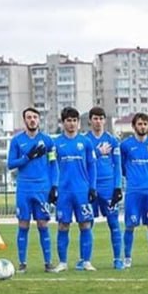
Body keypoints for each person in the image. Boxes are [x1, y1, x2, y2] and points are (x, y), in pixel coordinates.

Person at [8, 107, 56, 273]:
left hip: (42, 188)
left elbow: (53, 164)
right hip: (24, 188)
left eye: (35, 117)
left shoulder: (47, 141)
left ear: (39, 119)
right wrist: (27, 157)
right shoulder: (17, 141)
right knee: (23, 224)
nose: (32, 120)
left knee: (43, 223)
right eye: (29, 117)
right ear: (24, 120)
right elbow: (10, 164)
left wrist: (54, 186)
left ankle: (48, 263)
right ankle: (22, 264)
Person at [53, 107, 98, 272]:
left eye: (74, 120)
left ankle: (86, 261)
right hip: (64, 192)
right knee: (63, 226)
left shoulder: (86, 143)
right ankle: (63, 263)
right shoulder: (56, 143)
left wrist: (92, 187)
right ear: (63, 123)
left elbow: (92, 166)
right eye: (68, 120)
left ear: (78, 123)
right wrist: (53, 187)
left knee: (85, 225)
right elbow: (52, 166)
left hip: (82, 191)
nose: (71, 124)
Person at [119, 113, 148, 267]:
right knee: (130, 225)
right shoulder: (125, 146)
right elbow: (121, 167)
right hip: (133, 191)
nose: (142, 127)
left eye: (145, 124)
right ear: (134, 126)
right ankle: (127, 258)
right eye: (140, 124)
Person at [86, 107, 124, 270]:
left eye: (101, 118)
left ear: (104, 120)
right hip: (90, 187)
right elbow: (83, 162)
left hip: (108, 187)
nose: (98, 121)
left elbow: (117, 165)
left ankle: (118, 259)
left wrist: (118, 187)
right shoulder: (85, 141)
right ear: (90, 120)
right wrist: (97, 152)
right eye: (95, 118)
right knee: (87, 224)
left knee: (114, 223)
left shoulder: (112, 140)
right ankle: (85, 260)